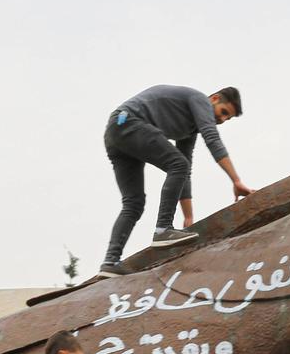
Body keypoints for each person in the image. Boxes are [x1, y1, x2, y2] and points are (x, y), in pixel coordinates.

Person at [98, 85, 252, 277]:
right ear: (214, 99)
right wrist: (236, 180)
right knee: (177, 165)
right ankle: (163, 229)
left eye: (226, 119)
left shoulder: (189, 130)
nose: (221, 120)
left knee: (134, 203)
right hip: (129, 121)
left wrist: (188, 219)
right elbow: (212, 139)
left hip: (117, 131)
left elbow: (184, 171)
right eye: (223, 113)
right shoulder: (200, 100)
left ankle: (110, 262)